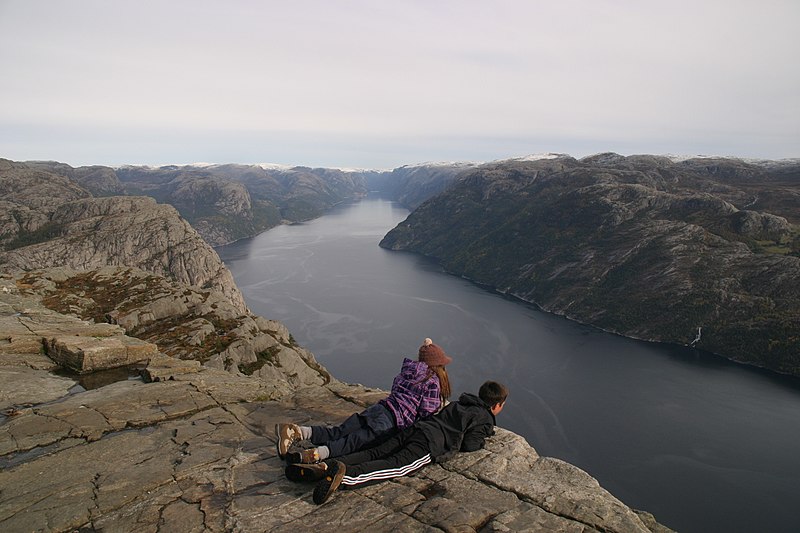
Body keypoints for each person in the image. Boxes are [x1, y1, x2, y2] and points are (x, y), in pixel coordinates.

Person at [286, 380, 508, 505]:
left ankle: (324, 466)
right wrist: (483, 441)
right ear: (496, 405)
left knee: (375, 452)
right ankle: (345, 476)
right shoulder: (484, 417)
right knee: (395, 465)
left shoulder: (460, 403)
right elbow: (471, 443)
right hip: (429, 445)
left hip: (417, 429)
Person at [275, 337, 453, 464]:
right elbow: (425, 412)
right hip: (391, 422)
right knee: (354, 443)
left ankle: (299, 431)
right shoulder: (432, 382)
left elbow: (396, 391)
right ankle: (314, 455)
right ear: (438, 365)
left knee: (339, 431)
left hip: (379, 409)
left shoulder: (406, 372)